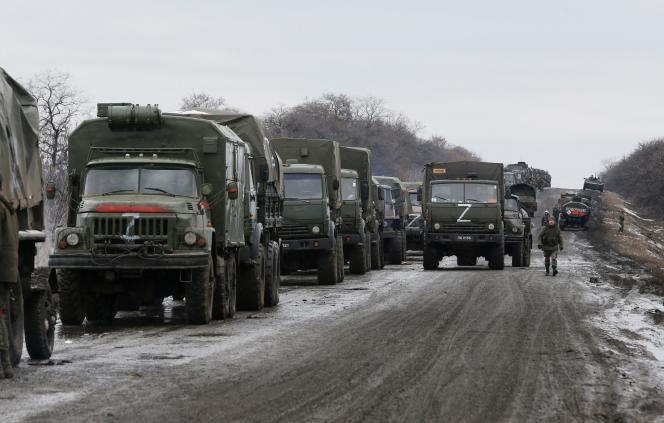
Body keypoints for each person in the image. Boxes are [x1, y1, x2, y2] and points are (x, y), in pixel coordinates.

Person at [0, 181, 18, 379]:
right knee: (1, 315)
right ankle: (5, 366)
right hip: (7, 271)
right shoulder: (8, 207)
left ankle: (4, 365)